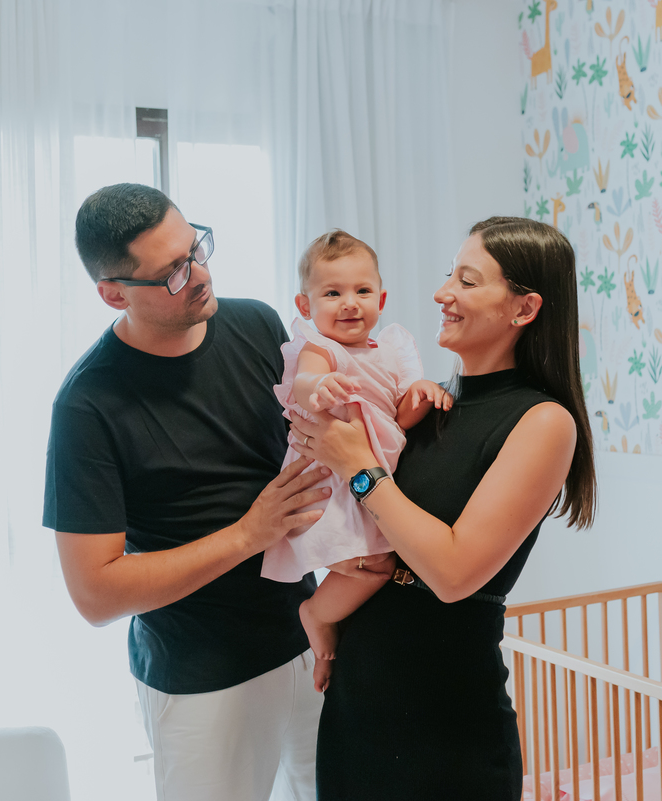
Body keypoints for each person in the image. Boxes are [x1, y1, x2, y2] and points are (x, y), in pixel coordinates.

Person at [290, 216, 597, 800]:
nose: (441, 293)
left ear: (524, 308)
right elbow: (375, 525)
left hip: (446, 728)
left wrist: (359, 465)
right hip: (358, 706)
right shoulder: (431, 404)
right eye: (448, 275)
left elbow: (453, 574)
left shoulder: (542, 421)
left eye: (467, 281)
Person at [43, 183, 330, 801]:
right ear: (114, 293)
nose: (198, 275)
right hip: (202, 678)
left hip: (311, 638)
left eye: (196, 249)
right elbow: (95, 593)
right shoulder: (87, 406)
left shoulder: (257, 324)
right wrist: (248, 534)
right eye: (171, 272)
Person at [260, 230, 452, 693]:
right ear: (305, 306)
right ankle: (316, 614)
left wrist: (422, 393)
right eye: (332, 293)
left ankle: (328, 630)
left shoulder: (392, 351)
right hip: (329, 479)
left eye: (362, 291)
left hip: (374, 472)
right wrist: (319, 386)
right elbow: (304, 382)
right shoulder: (320, 348)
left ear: (380, 299)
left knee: (376, 565)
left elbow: (400, 417)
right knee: (374, 565)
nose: (350, 303)